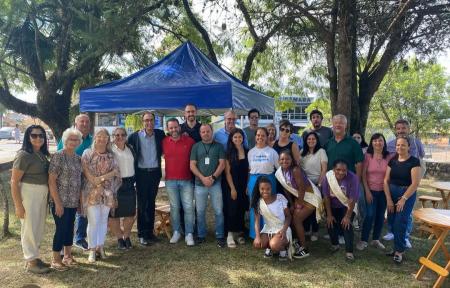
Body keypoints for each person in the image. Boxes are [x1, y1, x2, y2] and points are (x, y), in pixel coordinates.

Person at [11, 125, 50, 274]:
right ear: (28, 137)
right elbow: (14, 181)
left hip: (41, 192)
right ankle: (31, 261)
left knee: (38, 226)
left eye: (41, 135)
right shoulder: (23, 155)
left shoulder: (41, 153)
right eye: (34, 135)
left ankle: (34, 257)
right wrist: (18, 205)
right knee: (29, 228)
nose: (38, 138)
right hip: (29, 192)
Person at [81, 129, 121, 262]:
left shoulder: (111, 155)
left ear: (108, 139)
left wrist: (102, 180)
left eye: (105, 137)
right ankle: (91, 250)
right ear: (95, 138)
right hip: (91, 192)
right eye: (99, 136)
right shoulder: (88, 153)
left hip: (108, 192)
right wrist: (107, 176)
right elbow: (90, 178)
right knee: (93, 221)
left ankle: (100, 247)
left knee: (104, 220)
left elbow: (117, 174)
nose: (102, 139)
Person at [383, 119, 425, 246]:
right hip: (395, 177)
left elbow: (421, 157)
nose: (401, 131)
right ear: (396, 130)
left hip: (409, 180)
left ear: (408, 128)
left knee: (406, 213)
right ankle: (391, 231)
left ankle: (405, 235)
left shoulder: (417, 143)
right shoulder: (389, 144)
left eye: (404, 128)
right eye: (398, 128)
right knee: (392, 210)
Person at [275, 150, 323, 259]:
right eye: (282, 159)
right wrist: (292, 204)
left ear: (292, 160)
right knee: (293, 217)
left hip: (310, 197)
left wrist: (299, 203)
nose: (284, 161)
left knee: (297, 219)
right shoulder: (279, 173)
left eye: (287, 159)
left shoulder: (295, 170)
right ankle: (296, 242)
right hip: (299, 197)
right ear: (278, 161)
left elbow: (302, 188)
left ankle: (304, 248)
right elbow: (286, 189)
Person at [128, 111, 165, 246]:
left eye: (151, 120)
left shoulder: (160, 134)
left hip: (155, 174)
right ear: (143, 122)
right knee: (142, 204)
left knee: (151, 202)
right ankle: (142, 234)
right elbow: (123, 147)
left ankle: (150, 232)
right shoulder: (134, 137)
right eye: (146, 120)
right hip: (141, 174)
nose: (149, 123)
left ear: (154, 121)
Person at [48, 128, 82, 271]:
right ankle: (56, 259)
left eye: (76, 140)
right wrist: (57, 203)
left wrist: (80, 202)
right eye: (70, 139)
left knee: (69, 228)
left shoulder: (78, 158)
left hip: (73, 201)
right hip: (59, 201)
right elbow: (51, 181)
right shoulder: (58, 156)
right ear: (64, 140)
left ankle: (67, 256)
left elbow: (80, 181)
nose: (73, 142)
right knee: (61, 229)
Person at [57, 114, 92, 251]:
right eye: (81, 121)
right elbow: (60, 155)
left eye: (87, 122)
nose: (84, 124)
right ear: (76, 123)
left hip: (86, 180)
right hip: (67, 182)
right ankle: (61, 246)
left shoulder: (92, 139)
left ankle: (79, 237)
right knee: (67, 214)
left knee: (82, 209)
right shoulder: (68, 137)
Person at [383, 136, 420, 264]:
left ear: (409, 147)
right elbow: (386, 181)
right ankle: (396, 247)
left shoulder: (414, 161)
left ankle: (399, 251)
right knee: (392, 222)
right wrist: (388, 198)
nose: (400, 147)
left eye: (403, 145)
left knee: (400, 222)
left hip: (406, 194)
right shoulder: (392, 161)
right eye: (398, 145)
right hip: (392, 193)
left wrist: (403, 198)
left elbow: (415, 184)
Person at [325, 114, 364, 230]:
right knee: (334, 206)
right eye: (336, 122)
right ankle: (334, 231)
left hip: (348, 182)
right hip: (332, 181)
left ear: (346, 126)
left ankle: (346, 230)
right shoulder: (328, 143)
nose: (338, 125)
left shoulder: (353, 143)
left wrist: (357, 181)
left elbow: (359, 163)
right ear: (332, 124)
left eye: (341, 123)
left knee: (346, 206)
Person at [190, 124, 226, 247]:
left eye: (208, 131)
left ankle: (220, 235)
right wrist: (203, 178)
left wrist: (213, 177)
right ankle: (201, 235)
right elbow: (192, 165)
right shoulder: (196, 146)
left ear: (212, 132)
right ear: (200, 133)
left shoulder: (219, 146)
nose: (206, 133)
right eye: (203, 132)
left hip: (215, 184)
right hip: (200, 184)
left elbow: (222, 164)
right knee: (200, 211)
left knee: (218, 211)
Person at [162, 118, 196, 246]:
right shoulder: (164, 142)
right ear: (168, 129)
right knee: (175, 208)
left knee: (188, 208)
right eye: (171, 128)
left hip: (187, 180)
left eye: (175, 127)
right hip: (170, 181)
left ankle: (189, 233)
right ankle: (176, 231)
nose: (174, 130)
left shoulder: (190, 141)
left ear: (179, 127)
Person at [357, 133, 392, 251]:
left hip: (384, 191)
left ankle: (376, 239)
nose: (378, 143)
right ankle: (363, 240)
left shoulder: (388, 157)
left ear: (384, 142)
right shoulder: (367, 156)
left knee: (380, 216)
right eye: (375, 141)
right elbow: (363, 175)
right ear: (371, 142)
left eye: (380, 140)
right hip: (370, 190)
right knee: (370, 214)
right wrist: (367, 191)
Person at [321, 159, 360, 261]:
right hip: (332, 205)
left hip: (347, 206)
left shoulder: (353, 178)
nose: (341, 172)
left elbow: (352, 199)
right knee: (330, 223)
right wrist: (329, 214)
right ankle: (335, 244)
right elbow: (326, 197)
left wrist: (347, 216)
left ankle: (349, 252)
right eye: (338, 170)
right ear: (333, 169)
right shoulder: (328, 177)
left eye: (344, 170)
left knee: (346, 225)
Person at [247, 127, 279, 239]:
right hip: (253, 181)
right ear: (255, 137)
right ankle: (254, 234)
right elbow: (249, 170)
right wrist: (247, 184)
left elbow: (278, 169)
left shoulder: (272, 152)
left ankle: (269, 233)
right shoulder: (251, 152)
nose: (260, 137)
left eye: (263, 135)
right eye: (258, 135)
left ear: (267, 137)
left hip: (269, 180)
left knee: (269, 207)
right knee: (254, 207)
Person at [251, 177, 292, 261]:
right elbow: (257, 222)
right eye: (262, 189)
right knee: (257, 244)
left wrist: (284, 230)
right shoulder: (258, 203)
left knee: (274, 245)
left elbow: (288, 216)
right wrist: (257, 237)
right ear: (258, 189)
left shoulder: (280, 198)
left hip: (282, 228)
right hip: (269, 229)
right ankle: (269, 246)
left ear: (271, 188)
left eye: (268, 189)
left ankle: (283, 249)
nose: (265, 191)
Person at [109, 127, 137, 250]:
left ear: (126, 136)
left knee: (130, 213)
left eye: (122, 135)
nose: (119, 137)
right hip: (115, 184)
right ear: (113, 137)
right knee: (114, 214)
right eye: (117, 135)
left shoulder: (130, 148)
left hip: (130, 183)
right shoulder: (109, 150)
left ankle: (127, 236)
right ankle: (119, 238)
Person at [300, 131, 328, 241]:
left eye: (313, 139)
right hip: (305, 185)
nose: (311, 141)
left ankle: (315, 232)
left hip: (317, 184)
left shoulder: (321, 151)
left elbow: (324, 169)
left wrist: (319, 185)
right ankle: (306, 230)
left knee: (315, 209)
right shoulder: (302, 152)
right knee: (305, 208)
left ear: (317, 141)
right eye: (309, 139)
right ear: (306, 141)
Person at [224, 128, 249, 248]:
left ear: (243, 138)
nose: (238, 139)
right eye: (235, 137)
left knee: (241, 209)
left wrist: (248, 186)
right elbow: (227, 173)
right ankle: (230, 234)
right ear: (231, 139)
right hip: (232, 185)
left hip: (244, 185)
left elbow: (250, 171)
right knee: (232, 210)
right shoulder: (228, 153)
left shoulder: (247, 151)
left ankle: (239, 233)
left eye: (240, 137)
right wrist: (232, 189)